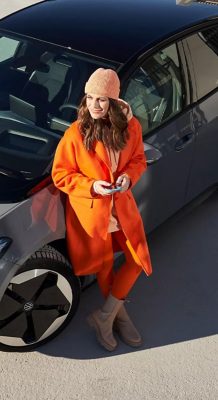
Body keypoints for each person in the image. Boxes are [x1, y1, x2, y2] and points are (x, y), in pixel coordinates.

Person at [51, 68, 153, 351]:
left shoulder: (132, 127)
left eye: (101, 100)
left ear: (113, 101)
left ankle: (104, 316)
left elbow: (139, 159)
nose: (94, 106)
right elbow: (61, 175)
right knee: (105, 269)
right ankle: (117, 318)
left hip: (121, 208)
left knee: (135, 261)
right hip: (92, 213)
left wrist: (128, 177)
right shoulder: (75, 134)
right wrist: (93, 186)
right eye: (90, 98)